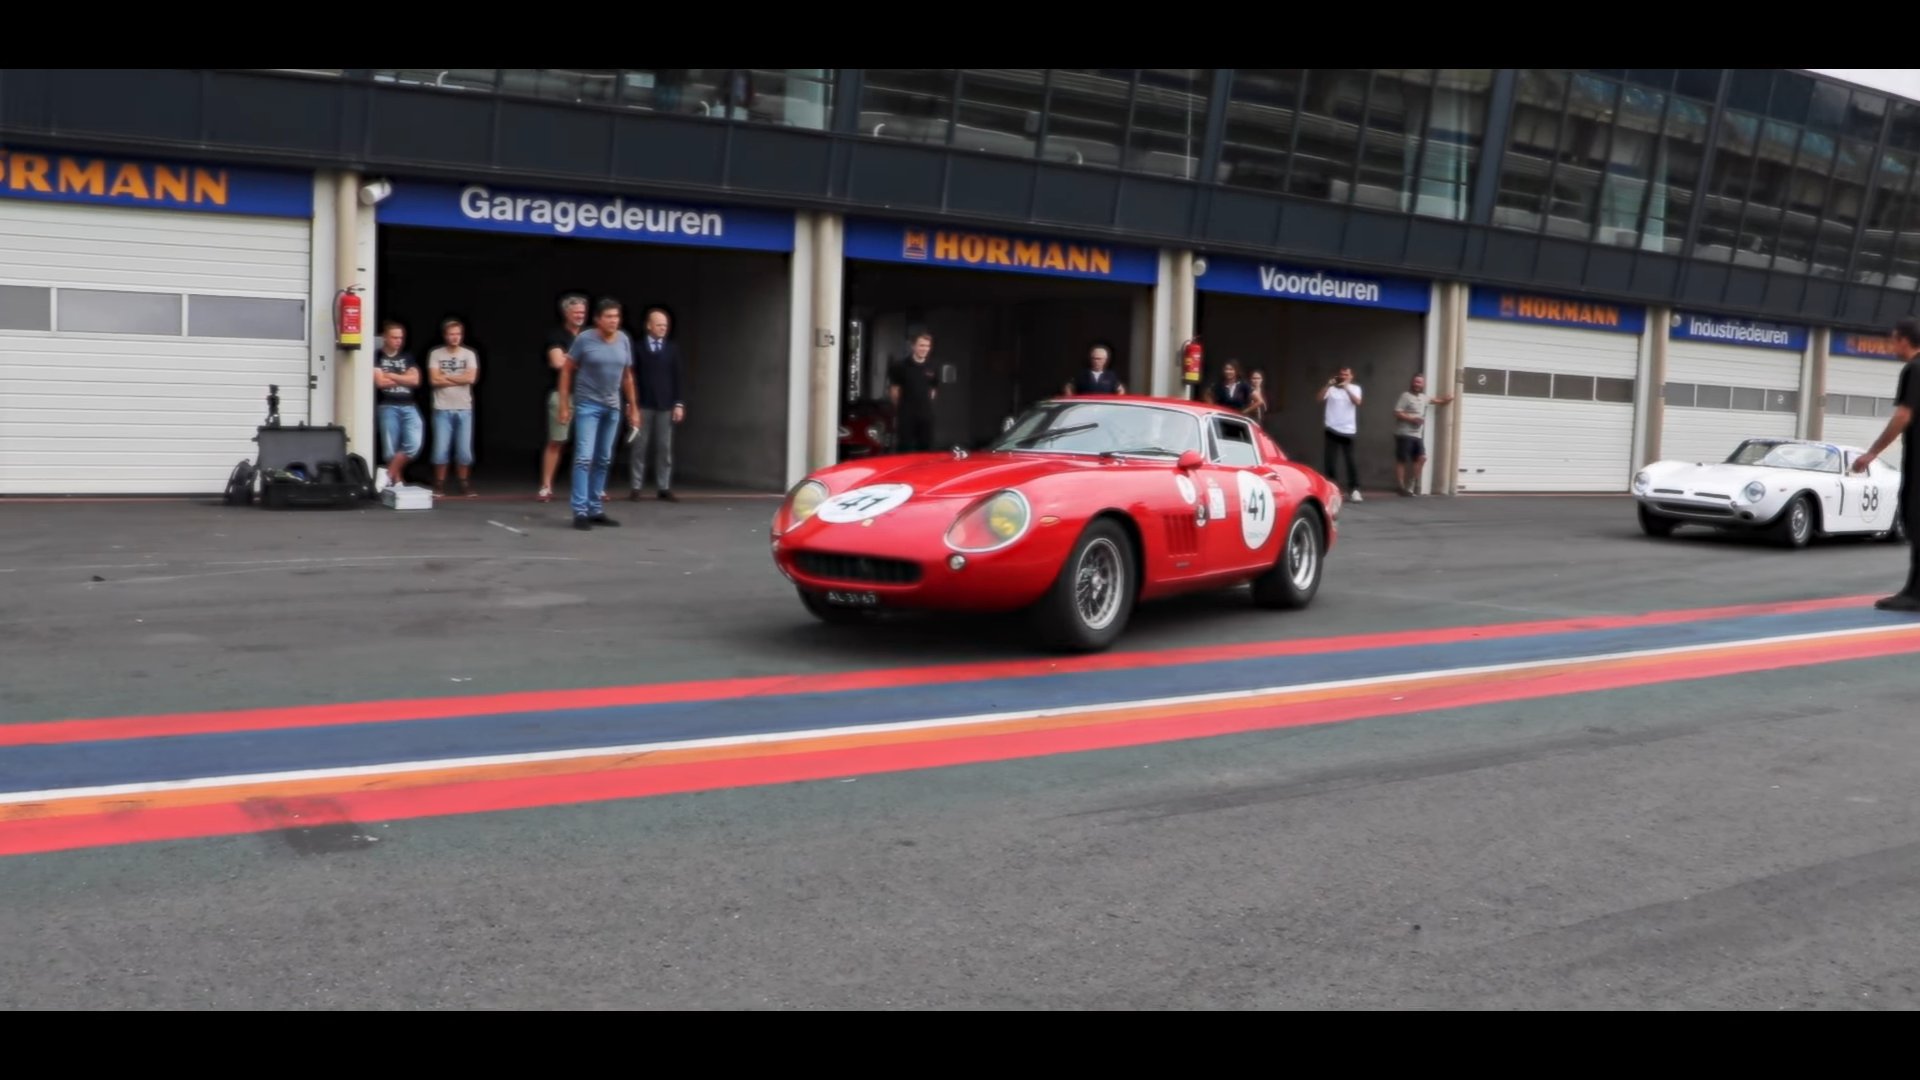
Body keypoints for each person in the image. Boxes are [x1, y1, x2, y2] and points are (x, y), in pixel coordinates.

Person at [1849, 317, 1920, 611]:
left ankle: (1916, 594)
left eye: (1893, 341)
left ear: (1904, 340)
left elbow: (1903, 415)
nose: (1892, 347)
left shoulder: (1914, 369)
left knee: (1915, 519)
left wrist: (1872, 454)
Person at [556, 299, 642, 530]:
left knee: (603, 458)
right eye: (609, 317)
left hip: (612, 406)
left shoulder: (623, 339)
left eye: (617, 317)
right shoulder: (585, 339)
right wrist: (564, 404)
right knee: (584, 457)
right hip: (588, 405)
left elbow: (627, 376)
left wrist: (633, 407)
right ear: (598, 320)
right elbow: (566, 370)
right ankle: (580, 510)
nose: (614, 321)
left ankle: (595, 508)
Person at [629, 306, 686, 502]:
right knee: (639, 446)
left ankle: (664, 486)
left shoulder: (672, 349)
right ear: (649, 326)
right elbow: (630, 377)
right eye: (659, 325)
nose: (663, 328)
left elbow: (678, 377)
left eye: (665, 325)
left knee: (664, 447)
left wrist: (679, 403)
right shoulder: (637, 348)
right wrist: (631, 404)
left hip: (666, 405)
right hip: (643, 404)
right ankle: (636, 486)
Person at [540, 294, 588, 503]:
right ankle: (546, 486)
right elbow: (557, 362)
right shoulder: (556, 335)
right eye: (576, 312)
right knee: (557, 440)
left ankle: (591, 487)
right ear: (566, 313)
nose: (580, 315)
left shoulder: (589, 335)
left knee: (588, 443)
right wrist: (584, 360)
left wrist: (571, 358)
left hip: (588, 394)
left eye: (582, 312)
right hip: (562, 394)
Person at [428, 318, 480, 497]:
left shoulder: (469, 354)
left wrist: (446, 377)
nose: (455, 337)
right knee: (441, 449)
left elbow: (471, 378)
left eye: (458, 334)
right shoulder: (436, 354)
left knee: (464, 450)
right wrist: (459, 378)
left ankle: (464, 483)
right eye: (451, 334)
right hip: (442, 408)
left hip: (464, 407)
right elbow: (434, 380)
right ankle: (439, 484)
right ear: (445, 335)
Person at [370, 320, 423, 488]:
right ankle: (397, 481)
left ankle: (387, 474)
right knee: (390, 448)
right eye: (394, 337)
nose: (398, 341)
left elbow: (415, 380)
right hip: (387, 405)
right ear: (385, 338)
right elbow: (380, 382)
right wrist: (403, 377)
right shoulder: (377, 356)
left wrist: (391, 375)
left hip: (409, 405)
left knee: (413, 444)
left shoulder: (407, 356)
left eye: (400, 338)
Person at [1393, 372, 1454, 496]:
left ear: (1423, 384)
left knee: (1422, 458)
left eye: (1419, 382)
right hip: (1404, 433)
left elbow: (1436, 400)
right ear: (1412, 383)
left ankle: (1411, 485)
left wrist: (1446, 399)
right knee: (1402, 460)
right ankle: (1401, 486)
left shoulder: (1424, 397)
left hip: (1417, 435)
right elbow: (1397, 412)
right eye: (1415, 382)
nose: (1417, 384)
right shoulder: (1405, 396)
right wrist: (1412, 419)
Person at [889, 332, 939, 452]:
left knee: (925, 449)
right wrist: (901, 409)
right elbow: (894, 391)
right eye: (921, 345)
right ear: (913, 346)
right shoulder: (900, 366)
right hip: (906, 415)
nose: (925, 349)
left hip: (925, 416)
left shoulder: (933, 366)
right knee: (905, 448)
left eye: (927, 346)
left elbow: (933, 389)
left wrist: (926, 405)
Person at [1320, 365, 1363, 501]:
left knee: (1350, 460)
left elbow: (1357, 402)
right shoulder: (1331, 389)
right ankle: (1333, 489)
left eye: (1346, 375)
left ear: (1351, 376)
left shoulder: (1355, 388)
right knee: (1330, 460)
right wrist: (1327, 385)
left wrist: (1346, 388)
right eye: (1341, 374)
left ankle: (1354, 490)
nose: (1343, 377)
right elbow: (1319, 398)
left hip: (1348, 430)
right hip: (1331, 428)